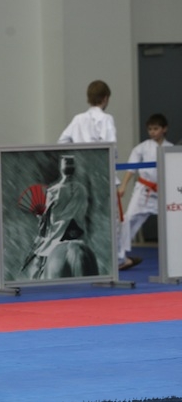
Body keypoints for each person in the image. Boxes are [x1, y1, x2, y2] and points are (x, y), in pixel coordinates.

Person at [56, 80, 140, 271]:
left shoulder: (78, 119)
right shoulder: (106, 119)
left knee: (86, 217)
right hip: (102, 175)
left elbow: (62, 142)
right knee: (112, 218)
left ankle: (89, 259)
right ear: (105, 98)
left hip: (82, 175)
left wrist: (79, 156)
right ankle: (118, 259)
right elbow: (111, 147)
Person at [20, 155, 98, 279]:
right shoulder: (82, 190)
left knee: (37, 264)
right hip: (79, 233)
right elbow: (85, 211)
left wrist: (40, 218)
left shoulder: (53, 191)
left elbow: (47, 219)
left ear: (61, 169)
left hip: (58, 234)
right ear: (74, 170)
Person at [117, 113, 173, 269]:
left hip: (164, 193)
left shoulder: (170, 148)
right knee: (128, 219)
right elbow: (131, 168)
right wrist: (123, 186)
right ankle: (120, 257)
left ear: (164, 129)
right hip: (144, 191)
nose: (152, 132)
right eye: (150, 129)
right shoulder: (142, 148)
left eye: (156, 128)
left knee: (175, 222)